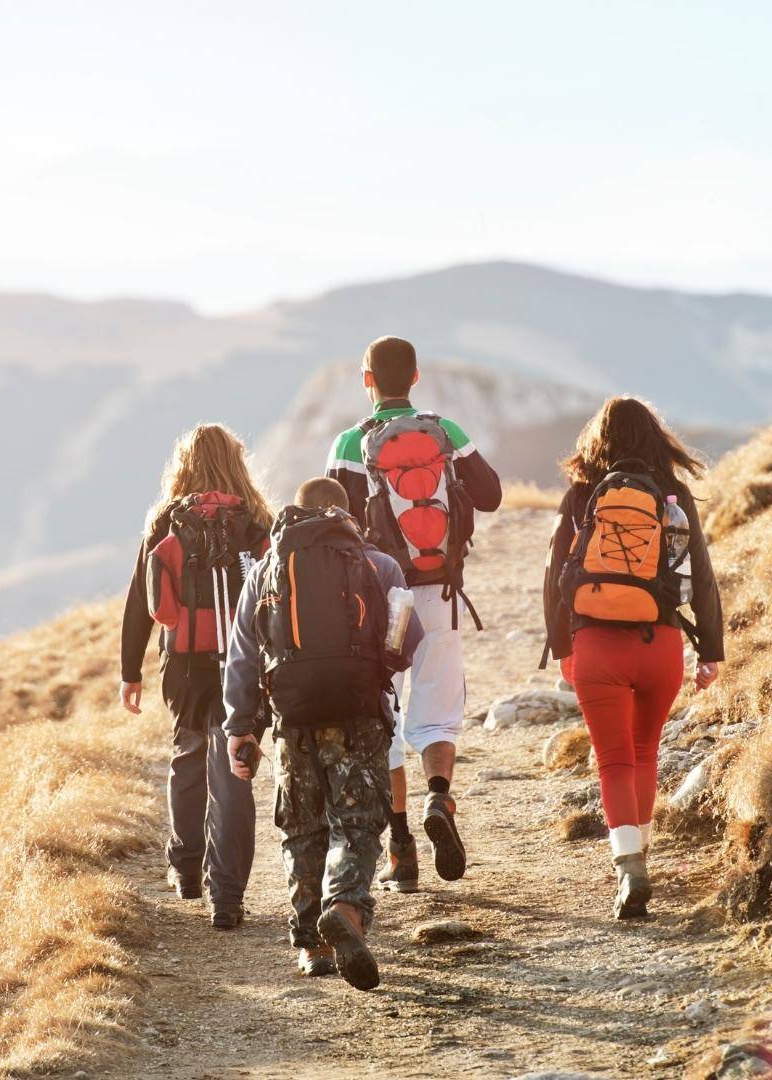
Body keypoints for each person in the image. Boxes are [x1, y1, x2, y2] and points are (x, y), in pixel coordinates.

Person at [223, 477, 423, 989]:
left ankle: (311, 945)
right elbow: (406, 632)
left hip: (292, 720)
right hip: (358, 714)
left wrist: (241, 728)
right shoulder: (378, 564)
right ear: (348, 512)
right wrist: (378, 671)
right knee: (356, 823)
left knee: (302, 828)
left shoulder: (268, 568)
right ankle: (346, 909)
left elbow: (243, 654)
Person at [326, 336, 502, 892]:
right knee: (438, 713)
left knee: (389, 717)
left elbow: (335, 524)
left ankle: (400, 847)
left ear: (367, 379)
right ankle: (440, 798)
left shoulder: (352, 443)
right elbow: (492, 495)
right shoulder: (445, 433)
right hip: (442, 593)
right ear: (416, 377)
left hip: (381, 600)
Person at [543, 397, 724, 918]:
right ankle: (640, 855)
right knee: (645, 752)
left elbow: (555, 576)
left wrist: (563, 647)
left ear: (597, 443)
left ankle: (630, 867)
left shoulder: (582, 496)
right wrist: (709, 651)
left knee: (614, 760)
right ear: (655, 438)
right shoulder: (673, 497)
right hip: (661, 643)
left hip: (596, 644)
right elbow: (703, 577)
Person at [119, 423, 273, 929]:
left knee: (188, 750)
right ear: (237, 461)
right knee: (235, 763)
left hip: (182, 662)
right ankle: (226, 898)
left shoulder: (166, 520)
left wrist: (130, 671)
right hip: (243, 660)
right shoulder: (254, 521)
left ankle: (186, 868)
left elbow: (140, 604)